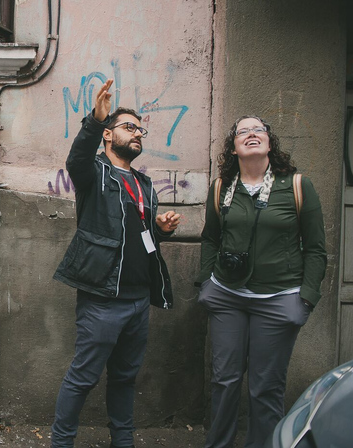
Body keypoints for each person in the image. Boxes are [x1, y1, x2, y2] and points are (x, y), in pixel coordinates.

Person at [51, 79, 181, 448]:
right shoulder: (93, 172)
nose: (137, 133)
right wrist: (95, 119)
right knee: (84, 377)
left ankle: (122, 442)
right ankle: (61, 443)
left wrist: (161, 228)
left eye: (140, 129)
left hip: (140, 300)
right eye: (129, 127)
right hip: (103, 298)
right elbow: (75, 158)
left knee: (125, 378)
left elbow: (140, 238)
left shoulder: (144, 182)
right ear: (108, 135)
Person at [197, 115, 327, 448]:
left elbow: (315, 249)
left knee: (265, 387)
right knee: (224, 382)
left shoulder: (297, 185)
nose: (252, 134)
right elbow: (210, 238)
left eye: (259, 130)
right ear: (235, 146)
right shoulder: (222, 187)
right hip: (227, 295)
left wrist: (305, 300)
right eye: (244, 131)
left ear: (269, 141)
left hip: (279, 298)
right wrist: (206, 284)